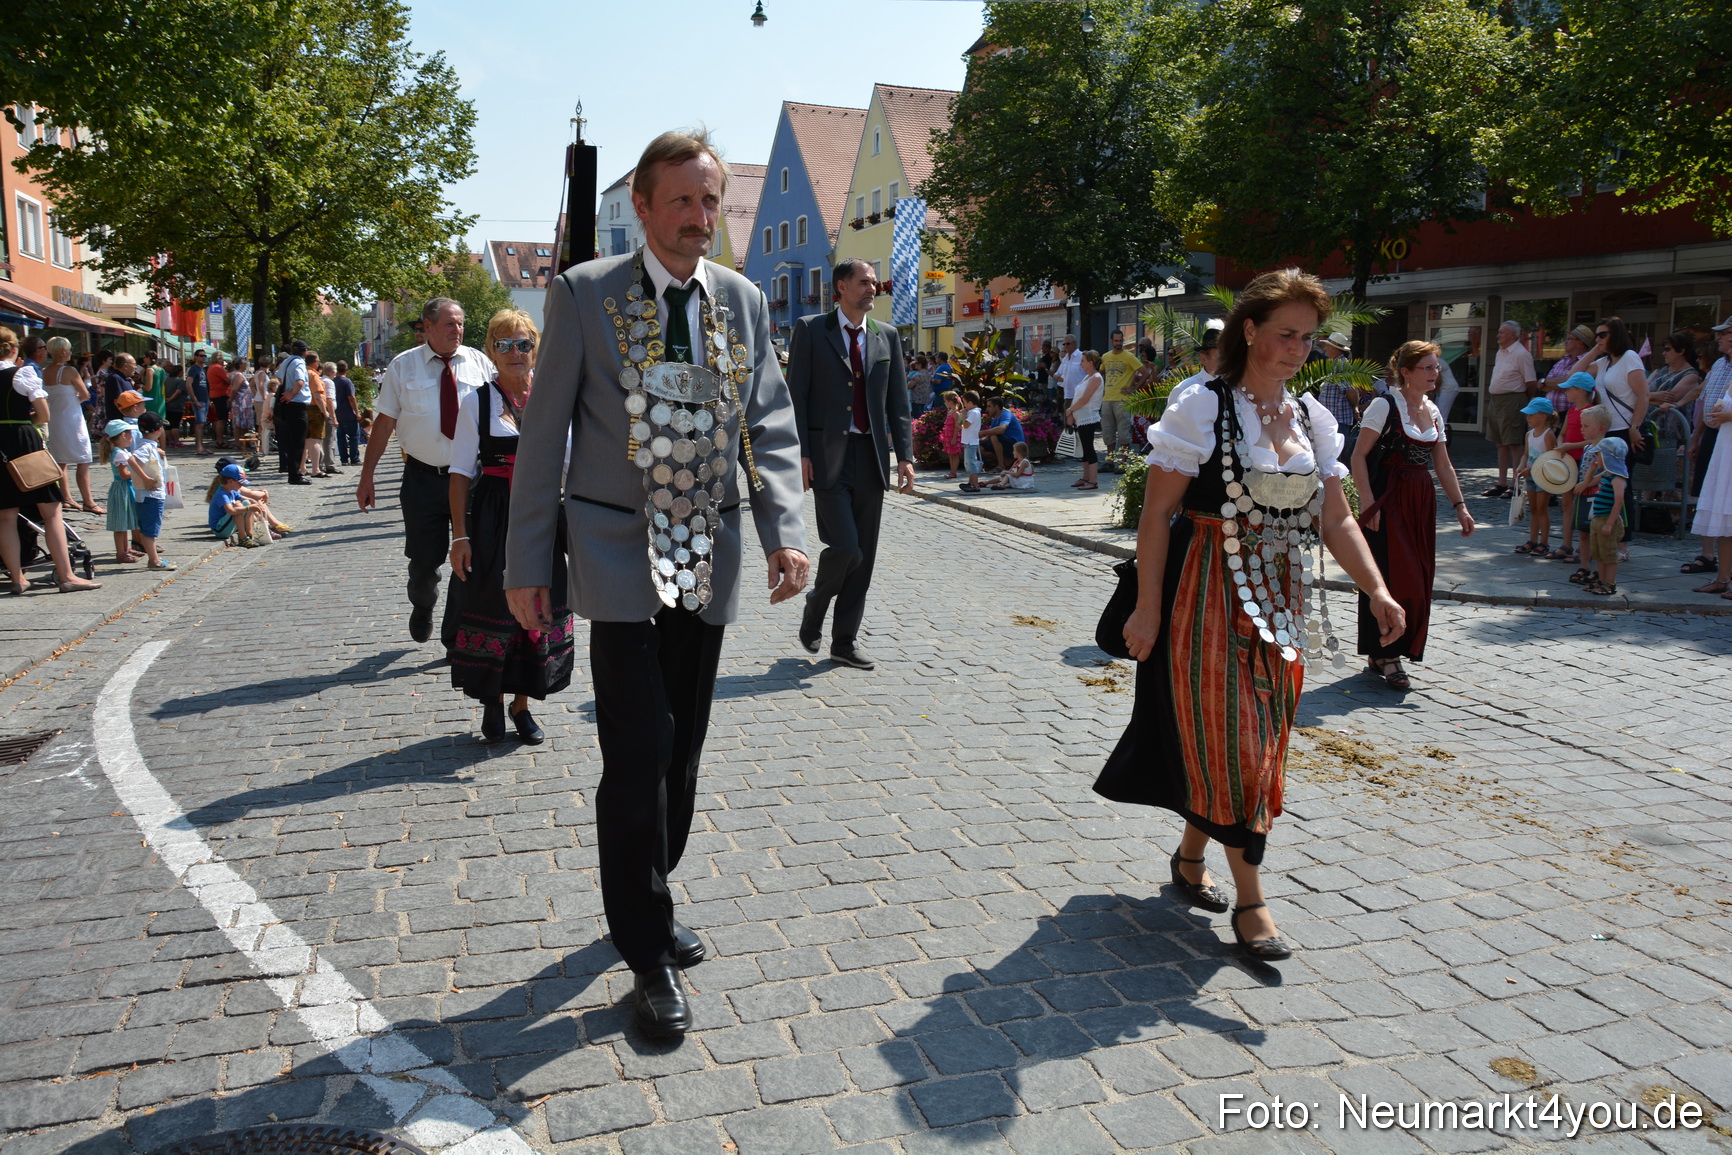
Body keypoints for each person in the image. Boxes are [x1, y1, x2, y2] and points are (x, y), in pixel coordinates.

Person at [502, 130, 809, 1038]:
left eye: (710, 202)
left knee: (683, 750)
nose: (698, 218)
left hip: (708, 555)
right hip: (616, 558)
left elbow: (772, 425)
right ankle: (644, 950)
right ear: (642, 205)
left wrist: (786, 529)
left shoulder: (743, 300)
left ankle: (654, 886)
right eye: (681, 201)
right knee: (637, 754)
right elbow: (544, 436)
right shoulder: (584, 294)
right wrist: (529, 564)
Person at [1099, 268, 1404, 961]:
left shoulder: (1313, 419)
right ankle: (1253, 900)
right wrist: (1147, 609)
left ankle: (1187, 859)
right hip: (1204, 594)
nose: (1298, 349)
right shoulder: (1202, 409)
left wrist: (1378, 590)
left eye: (1307, 337)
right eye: (1285, 335)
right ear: (1249, 332)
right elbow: (1155, 514)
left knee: (1259, 741)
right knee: (1236, 741)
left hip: (1281, 599)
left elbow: (1337, 517)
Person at [447, 308, 574, 744]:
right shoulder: (477, 402)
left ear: (536, 349)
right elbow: (461, 473)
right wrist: (460, 537)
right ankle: (493, 705)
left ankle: (521, 706)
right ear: (491, 351)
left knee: (538, 611)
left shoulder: (556, 398)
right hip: (493, 516)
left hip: (543, 514)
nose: (515, 352)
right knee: (496, 610)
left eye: (523, 343)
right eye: (504, 344)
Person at [788, 256, 914, 670]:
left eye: (874, 282)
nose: (871, 288)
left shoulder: (887, 336)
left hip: (871, 457)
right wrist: (801, 453)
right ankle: (816, 604)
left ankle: (844, 641)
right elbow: (797, 398)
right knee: (845, 547)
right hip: (828, 458)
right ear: (840, 286)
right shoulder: (811, 330)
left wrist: (906, 457)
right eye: (863, 282)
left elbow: (899, 401)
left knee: (866, 556)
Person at [359, 302, 490, 646]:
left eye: (460, 324)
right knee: (423, 565)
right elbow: (384, 423)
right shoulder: (403, 366)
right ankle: (423, 604)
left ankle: (455, 634)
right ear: (428, 327)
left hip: (471, 478)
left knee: (470, 561)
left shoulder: (479, 363)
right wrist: (367, 476)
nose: (456, 331)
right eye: (448, 324)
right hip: (422, 480)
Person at [1351, 340, 1475, 689]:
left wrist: (1460, 506)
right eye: (1428, 367)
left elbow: (1443, 464)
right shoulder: (1384, 405)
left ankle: (1384, 650)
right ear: (1406, 372)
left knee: (1418, 579)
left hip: (1421, 500)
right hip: (1388, 498)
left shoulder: (1433, 411)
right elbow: (1358, 456)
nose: (1435, 373)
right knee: (1390, 576)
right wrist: (1366, 501)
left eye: (1436, 367)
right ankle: (1388, 656)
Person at [0, 341, 101, 595]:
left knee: (6, 515)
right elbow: (44, 415)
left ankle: (17, 577)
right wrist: (27, 420)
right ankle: (66, 575)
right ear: (13, 348)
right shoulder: (20, 373)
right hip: (23, 439)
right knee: (51, 510)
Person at [1682, 319, 1732, 577]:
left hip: (1729, 435)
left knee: (1728, 498)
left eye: (1724, 334)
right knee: (1708, 491)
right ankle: (1708, 555)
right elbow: (1706, 401)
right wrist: (1696, 437)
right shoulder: (1720, 365)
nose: (1720, 339)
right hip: (1715, 434)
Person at [43, 337, 102, 514]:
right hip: (72, 418)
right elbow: (85, 394)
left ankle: (65, 497)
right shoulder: (69, 370)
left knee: (60, 461)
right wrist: (73, 399)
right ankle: (88, 501)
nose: (70, 352)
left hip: (54, 419)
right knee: (83, 460)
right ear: (62, 351)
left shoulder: (45, 371)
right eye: (68, 349)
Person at [1482, 320, 1538, 498]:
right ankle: (1501, 482)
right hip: (1496, 401)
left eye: (1501, 332)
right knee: (1500, 442)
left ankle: (1516, 483)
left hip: (1513, 400)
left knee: (1514, 442)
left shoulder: (1522, 354)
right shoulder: (1501, 352)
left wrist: (1524, 402)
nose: (1498, 335)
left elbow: (1531, 382)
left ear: (1512, 335)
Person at [1582, 316, 1649, 451]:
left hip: (1623, 428)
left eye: (1602, 335)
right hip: (1604, 429)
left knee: (1620, 471)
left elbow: (1644, 395)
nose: (1597, 339)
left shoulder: (1629, 357)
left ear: (1616, 336)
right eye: (1597, 336)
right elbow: (1574, 376)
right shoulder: (1605, 361)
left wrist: (1634, 427)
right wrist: (1595, 350)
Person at [1577, 432, 1628, 596]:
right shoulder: (1605, 474)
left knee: (1609, 554)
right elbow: (1588, 482)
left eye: (1599, 455)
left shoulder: (1617, 478)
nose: (1596, 457)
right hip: (1597, 519)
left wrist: (1610, 523)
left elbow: (1618, 501)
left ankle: (1609, 583)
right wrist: (1591, 468)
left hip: (1607, 520)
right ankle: (1601, 579)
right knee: (1599, 552)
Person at [128, 413, 173, 571]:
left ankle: (154, 558)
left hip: (150, 495)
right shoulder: (145, 447)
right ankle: (154, 560)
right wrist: (146, 478)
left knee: (151, 528)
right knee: (150, 530)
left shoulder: (148, 445)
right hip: (150, 495)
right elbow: (132, 460)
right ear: (159, 430)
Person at [1513, 397, 1558, 556]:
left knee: (1542, 509)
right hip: (1530, 476)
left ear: (1543, 416)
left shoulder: (1548, 434)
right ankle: (1532, 540)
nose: (1528, 418)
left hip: (1543, 477)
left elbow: (1549, 459)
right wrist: (1520, 466)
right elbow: (1526, 454)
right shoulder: (1528, 434)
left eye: (1531, 415)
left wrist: (1531, 471)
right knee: (1533, 509)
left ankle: (1544, 542)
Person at [1098, 328, 1141, 464]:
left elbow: (1144, 372)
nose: (1118, 343)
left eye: (1121, 340)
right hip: (1107, 398)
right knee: (1107, 432)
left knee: (1123, 433)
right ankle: (1110, 461)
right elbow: (1100, 373)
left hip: (1123, 399)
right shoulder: (1105, 356)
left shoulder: (1129, 356)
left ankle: (1123, 461)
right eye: (1116, 340)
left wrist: (1133, 388)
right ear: (1111, 341)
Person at [274, 340, 313, 484]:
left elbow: (277, 375)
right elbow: (300, 381)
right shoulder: (299, 363)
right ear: (304, 352)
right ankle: (295, 474)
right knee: (298, 441)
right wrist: (291, 392)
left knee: (290, 440)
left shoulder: (286, 361)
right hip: (297, 404)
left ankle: (292, 471)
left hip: (287, 405)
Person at [1064, 350, 1104, 490]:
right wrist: (1072, 414)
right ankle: (1086, 477)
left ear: (1091, 362)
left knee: (1089, 448)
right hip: (1080, 418)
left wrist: (1070, 410)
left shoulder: (1096, 378)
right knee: (1084, 449)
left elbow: (1085, 399)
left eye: (1083, 361)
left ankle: (1093, 481)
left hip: (1088, 417)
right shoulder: (1087, 377)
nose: (1081, 364)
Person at [1542, 324, 1595, 411]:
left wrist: (1549, 382)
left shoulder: (1589, 364)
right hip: (1551, 414)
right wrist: (1548, 382)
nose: (1565, 342)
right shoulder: (1562, 361)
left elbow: (1568, 383)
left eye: (1570, 339)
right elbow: (1544, 386)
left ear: (1580, 342)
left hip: (1573, 413)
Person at [979, 397, 1024, 472]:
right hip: (1004, 443)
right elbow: (988, 438)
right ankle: (1007, 461)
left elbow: (1001, 429)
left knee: (994, 436)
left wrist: (982, 432)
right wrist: (977, 441)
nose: (987, 409)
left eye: (989, 406)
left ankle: (1001, 466)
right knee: (980, 448)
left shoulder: (1006, 414)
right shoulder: (995, 420)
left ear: (996, 407)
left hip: (1015, 444)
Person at [333, 360, 360, 466]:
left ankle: (344, 459)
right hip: (349, 413)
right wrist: (357, 412)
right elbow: (351, 397)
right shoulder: (347, 382)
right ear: (346, 370)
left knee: (341, 437)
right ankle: (354, 458)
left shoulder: (333, 381)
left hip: (337, 413)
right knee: (354, 436)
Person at [185, 350, 211, 454]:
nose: (203, 358)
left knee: (203, 423)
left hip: (204, 398)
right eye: (201, 356)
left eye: (205, 356)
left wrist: (208, 399)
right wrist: (194, 399)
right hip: (198, 399)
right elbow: (188, 384)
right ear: (196, 357)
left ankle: (201, 446)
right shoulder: (193, 369)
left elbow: (206, 386)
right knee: (199, 423)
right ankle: (198, 447)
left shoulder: (203, 370)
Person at [957, 389, 984, 492]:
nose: (964, 406)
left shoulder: (974, 413)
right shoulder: (971, 412)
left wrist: (964, 415)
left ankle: (975, 485)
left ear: (970, 403)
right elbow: (960, 424)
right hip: (968, 441)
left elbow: (966, 425)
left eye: (965, 403)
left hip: (971, 441)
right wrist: (962, 415)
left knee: (972, 464)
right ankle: (970, 483)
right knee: (969, 463)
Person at [207, 354, 232, 448]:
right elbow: (228, 380)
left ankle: (219, 438)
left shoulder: (211, 368)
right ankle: (220, 440)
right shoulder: (218, 368)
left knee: (219, 418)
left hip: (215, 394)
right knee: (221, 419)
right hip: (221, 395)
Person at [939, 390, 962, 477]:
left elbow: (958, 426)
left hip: (953, 435)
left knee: (954, 454)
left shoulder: (956, 413)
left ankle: (954, 471)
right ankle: (952, 471)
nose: (944, 403)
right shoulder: (950, 412)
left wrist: (954, 438)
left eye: (945, 401)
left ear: (950, 402)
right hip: (948, 435)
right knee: (950, 453)